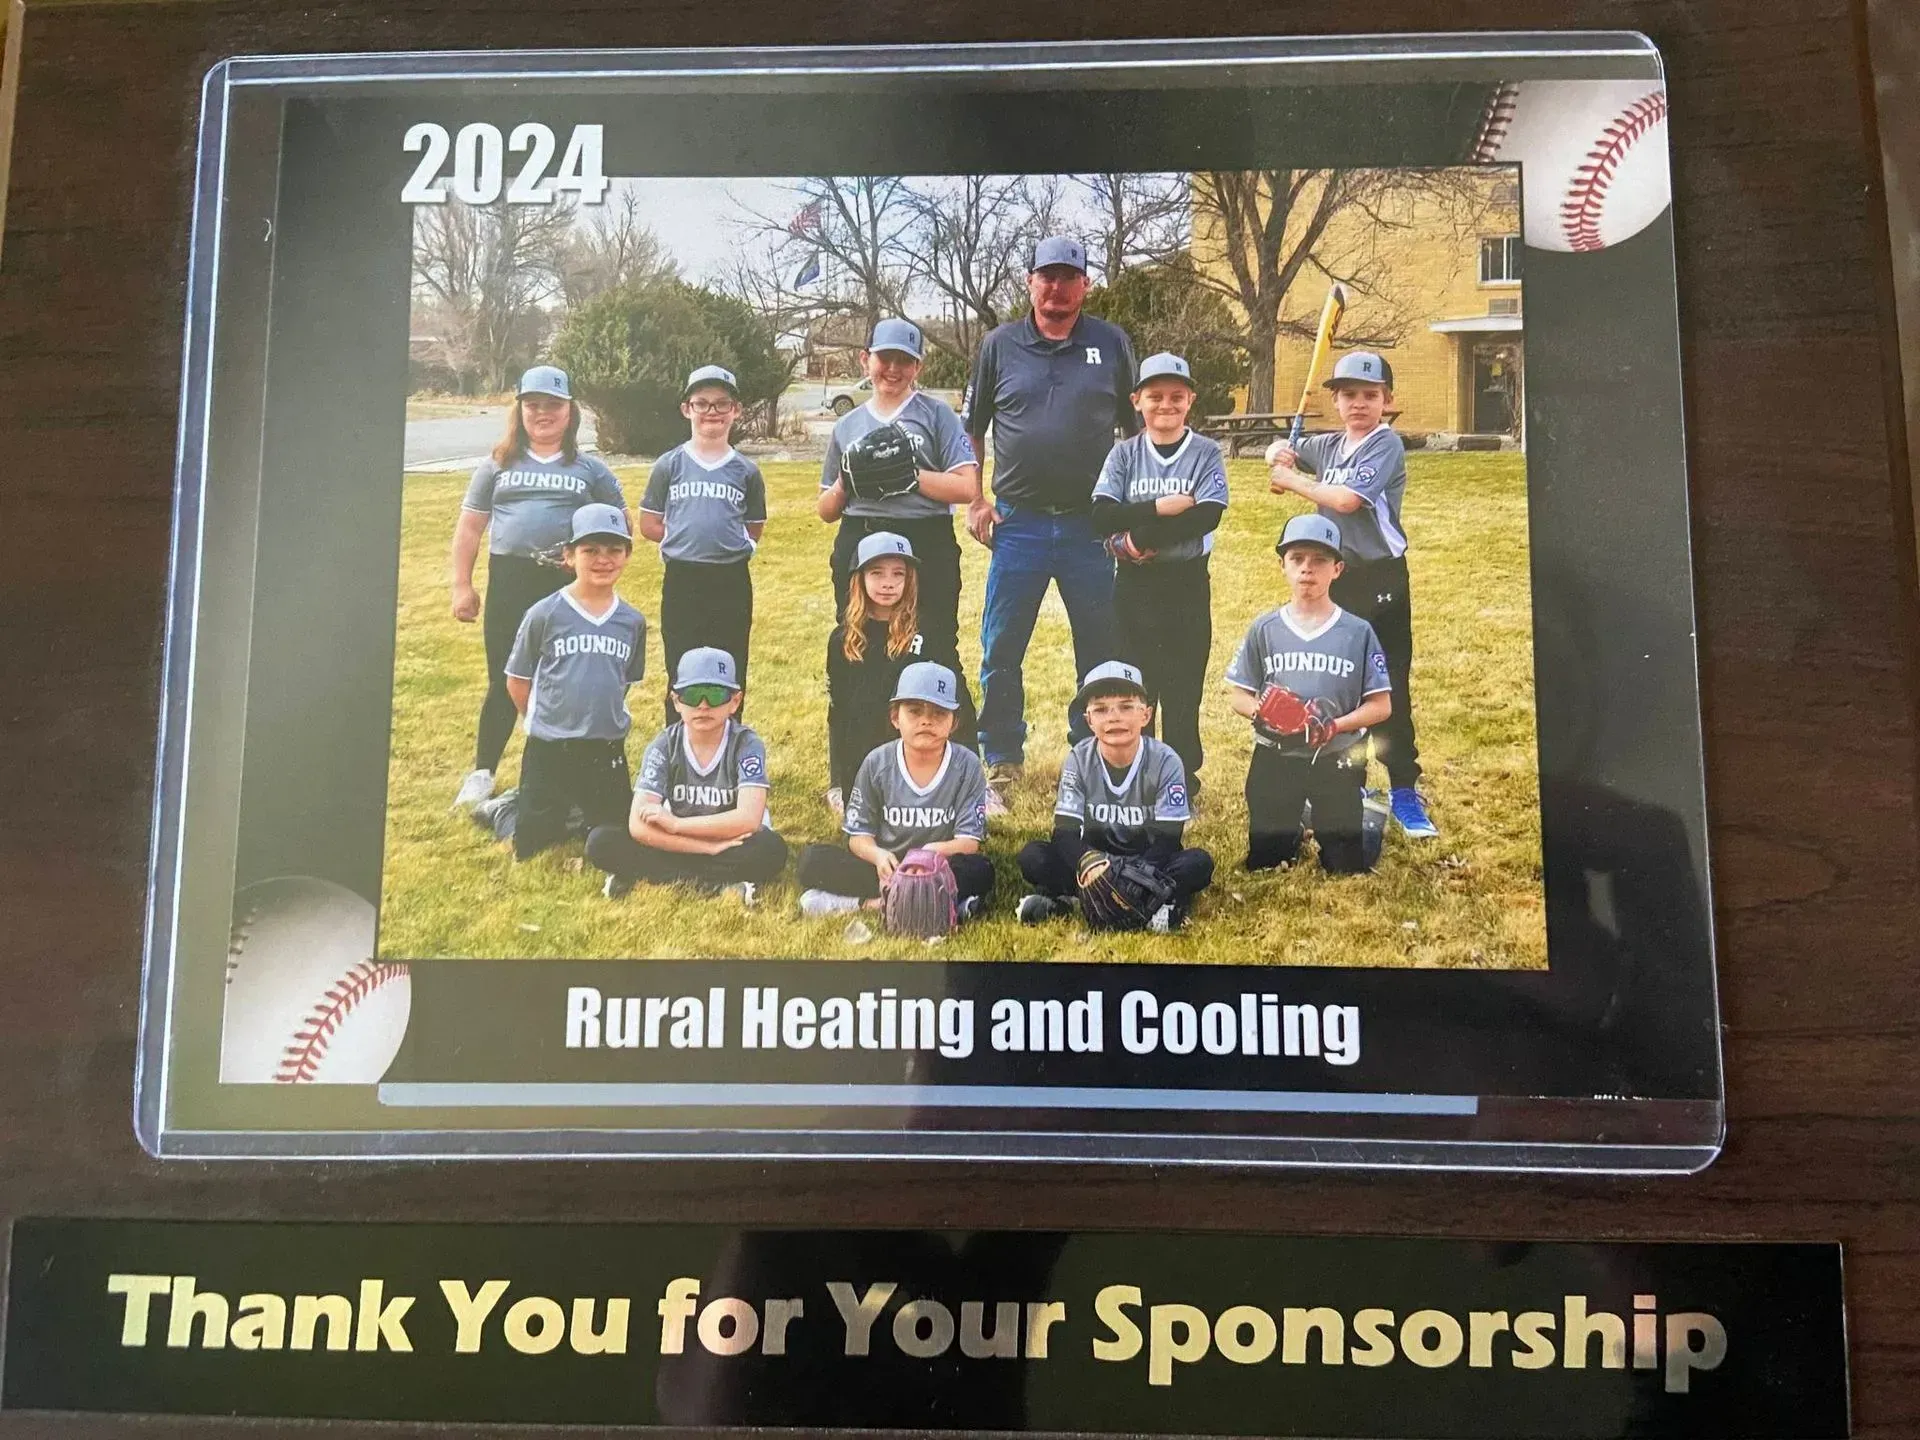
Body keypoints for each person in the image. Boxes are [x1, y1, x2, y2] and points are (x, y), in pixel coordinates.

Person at [963, 236, 1140, 814]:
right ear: (1030, 281)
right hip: (1019, 525)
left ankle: (1089, 750)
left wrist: (1128, 514)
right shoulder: (999, 345)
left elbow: (1135, 435)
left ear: (1085, 284)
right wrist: (974, 500)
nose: (1057, 287)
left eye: (1069, 276)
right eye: (1047, 276)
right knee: (1001, 646)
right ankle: (1003, 758)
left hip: (1093, 527)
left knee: (1100, 647)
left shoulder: (1112, 343)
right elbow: (973, 428)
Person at [1265, 350, 1436, 838]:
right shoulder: (1332, 445)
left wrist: (1291, 479)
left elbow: (1345, 499)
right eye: (1349, 395)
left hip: (1380, 578)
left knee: (1387, 687)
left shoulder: (1386, 445)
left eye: (1370, 395)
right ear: (1336, 402)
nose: (1359, 404)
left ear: (1387, 401)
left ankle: (1404, 787)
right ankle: (1350, 784)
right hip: (1339, 578)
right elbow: (1287, 451)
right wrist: (1278, 450)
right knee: (1341, 685)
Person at [449, 365, 631, 810]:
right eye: (533, 406)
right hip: (509, 579)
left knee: (566, 675)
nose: (543, 414)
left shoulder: (590, 468)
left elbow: (622, 526)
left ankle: (566, 771)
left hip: (563, 582)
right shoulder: (498, 465)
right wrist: (461, 586)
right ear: (520, 411)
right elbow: (470, 529)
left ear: (570, 412)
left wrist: (592, 560)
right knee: (504, 676)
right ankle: (482, 771)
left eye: (553, 405)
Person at [1091, 352, 1229, 795]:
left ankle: (1182, 777)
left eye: (1176, 396)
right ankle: (1141, 774)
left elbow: (1206, 517)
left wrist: (1139, 536)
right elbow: (1099, 517)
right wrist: (1158, 509)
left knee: (1184, 686)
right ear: (1136, 401)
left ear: (1190, 400)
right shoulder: (1125, 454)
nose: (1165, 405)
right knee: (1138, 683)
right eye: (1154, 396)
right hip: (1134, 586)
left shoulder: (1205, 452)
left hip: (1186, 583)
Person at [1223, 514, 1393, 874]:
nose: (1307, 570)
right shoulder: (1265, 627)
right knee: (1266, 861)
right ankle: (1297, 818)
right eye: (1297, 559)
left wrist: (1333, 726)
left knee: (1346, 866)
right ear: (1282, 565)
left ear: (1338, 569)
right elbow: (1239, 695)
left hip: (1337, 755)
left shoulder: (1357, 631)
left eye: (1319, 560)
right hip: (1276, 755)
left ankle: (1369, 815)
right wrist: (1262, 713)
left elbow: (1381, 706)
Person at [478, 504, 648, 862]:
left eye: (614, 550)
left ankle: (574, 809)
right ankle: (505, 809)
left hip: (605, 747)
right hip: (551, 746)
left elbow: (623, 681)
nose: (603, 560)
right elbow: (517, 679)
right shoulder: (545, 613)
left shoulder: (631, 621)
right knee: (532, 845)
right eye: (590, 550)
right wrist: (542, 719)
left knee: (613, 834)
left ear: (628, 555)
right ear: (568, 556)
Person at [818, 318, 979, 670]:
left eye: (904, 360)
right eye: (884, 358)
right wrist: (847, 481)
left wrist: (910, 476)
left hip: (924, 533)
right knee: (857, 639)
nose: (893, 369)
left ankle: (938, 723)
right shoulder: (848, 425)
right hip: (862, 532)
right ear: (866, 360)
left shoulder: (937, 415)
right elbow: (826, 509)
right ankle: (860, 720)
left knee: (934, 641)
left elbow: (967, 487)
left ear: (918, 366)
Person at [1016, 661, 1214, 932]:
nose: (1114, 717)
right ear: (1089, 720)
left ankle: (1075, 901)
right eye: (1101, 709)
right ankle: (1150, 905)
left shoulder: (1166, 760)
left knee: (1198, 863)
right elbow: (1064, 834)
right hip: (1095, 860)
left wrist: (1131, 877)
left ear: (1146, 714)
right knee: (1033, 856)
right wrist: (1091, 867)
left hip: (1148, 863)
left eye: (1126, 707)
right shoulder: (1078, 760)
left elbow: (1170, 836)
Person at [585, 647, 788, 902]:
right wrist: (707, 849)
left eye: (715, 695)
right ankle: (714, 883)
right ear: (677, 701)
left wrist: (677, 824)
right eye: (692, 695)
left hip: (725, 840)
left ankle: (655, 875)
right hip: (688, 844)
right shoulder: (664, 744)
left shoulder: (746, 744)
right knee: (601, 842)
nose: (703, 706)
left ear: (735, 701)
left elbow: (748, 819)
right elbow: (638, 825)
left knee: (770, 849)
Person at [795, 662, 995, 918]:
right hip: (887, 867)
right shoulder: (877, 763)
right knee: (812, 861)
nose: (926, 720)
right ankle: (925, 904)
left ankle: (877, 904)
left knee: (981, 870)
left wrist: (928, 855)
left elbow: (968, 842)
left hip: (937, 864)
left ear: (954, 722)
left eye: (939, 713)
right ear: (894, 717)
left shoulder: (966, 765)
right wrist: (877, 855)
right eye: (914, 711)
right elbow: (858, 837)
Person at [639, 365, 767, 726]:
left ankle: (730, 749)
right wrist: (683, 537)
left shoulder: (745, 471)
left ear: (736, 410)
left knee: (731, 664)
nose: (712, 411)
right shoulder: (670, 465)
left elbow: (754, 526)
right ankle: (678, 749)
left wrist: (730, 544)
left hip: (730, 580)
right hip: (683, 578)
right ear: (687, 409)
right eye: (702, 403)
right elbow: (649, 522)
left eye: (721, 404)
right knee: (681, 665)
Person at [825, 532, 978, 816]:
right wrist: (842, 783)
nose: (888, 583)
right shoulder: (843, 640)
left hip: (917, 747)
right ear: (858, 578)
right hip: (866, 751)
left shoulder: (927, 632)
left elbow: (955, 699)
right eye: (876, 572)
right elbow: (839, 714)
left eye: (899, 574)